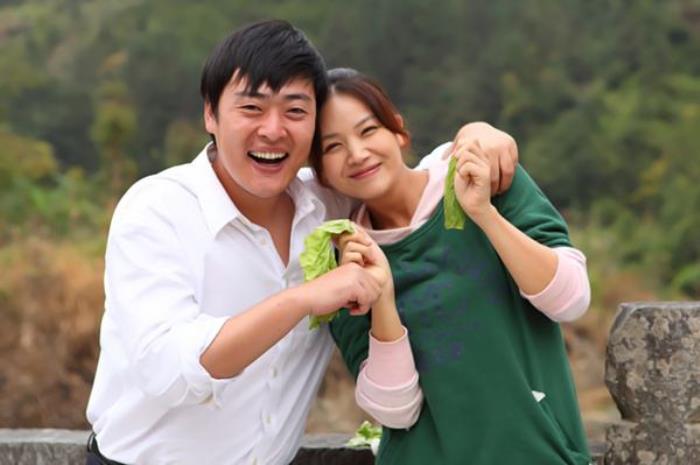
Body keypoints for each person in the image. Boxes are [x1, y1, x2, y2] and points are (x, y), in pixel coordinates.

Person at [85, 20, 519, 465]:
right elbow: (168, 371)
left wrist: (477, 135)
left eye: (295, 111)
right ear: (211, 115)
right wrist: (303, 299)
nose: (273, 130)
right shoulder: (157, 210)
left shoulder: (329, 201)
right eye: (252, 108)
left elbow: (405, 175)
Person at [310, 68, 592, 464]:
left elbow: (572, 300)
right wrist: (383, 298)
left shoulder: (482, 175)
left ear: (399, 132)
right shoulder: (346, 264)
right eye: (333, 147)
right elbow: (396, 411)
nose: (357, 154)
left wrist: (484, 214)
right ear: (321, 173)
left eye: (368, 130)